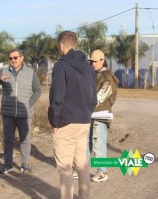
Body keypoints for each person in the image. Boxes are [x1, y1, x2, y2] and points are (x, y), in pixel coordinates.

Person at [48, 31, 97, 199]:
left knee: (66, 169)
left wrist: (54, 122)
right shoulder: (89, 68)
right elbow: (93, 99)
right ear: (74, 44)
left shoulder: (61, 66)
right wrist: (86, 115)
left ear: (62, 46)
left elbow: (57, 97)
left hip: (65, 124)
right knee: (82, 166)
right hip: (84, 122)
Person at [0, 49, 41, 174]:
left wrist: (28, 104)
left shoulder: (30, 72)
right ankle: (7, 165)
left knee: (25, 139)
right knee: (8, 139)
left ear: (22, 58)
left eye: (15, 57)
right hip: (8, 112)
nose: (13, 60)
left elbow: (38, 90)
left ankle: (25, 164)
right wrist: (0, 80)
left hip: (25, 113)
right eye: (10, 58)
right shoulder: (4, 71)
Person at [88, 49, 119, 182]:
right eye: (91, 62)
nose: (93, 64)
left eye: (95, 61)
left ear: (102, 60)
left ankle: (102, 172)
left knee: (98, 144)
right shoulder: (93, 74)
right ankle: (81, 170)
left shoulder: (107, 77)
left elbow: (99, 98)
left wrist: (83, 106)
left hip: (100, 115)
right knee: (86, 143)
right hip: (89, 115)